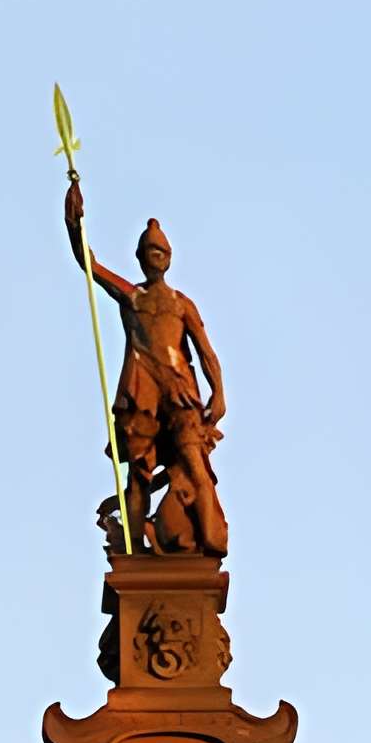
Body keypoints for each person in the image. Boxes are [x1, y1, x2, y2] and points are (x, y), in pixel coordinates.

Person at [64, 177, 227, 556]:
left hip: (180, 392)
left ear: (169, 258)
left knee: (193, 462)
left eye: (161, 250)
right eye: (150, 250)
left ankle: (210, 538)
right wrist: (75, 224)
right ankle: (135, 550)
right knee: (138, 477)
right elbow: (90, 264)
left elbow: (205, 352)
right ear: (141, 257)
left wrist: (218, 390)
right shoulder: (132, 296)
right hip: (141, 393)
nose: (156, 254)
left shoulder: (182, 303)